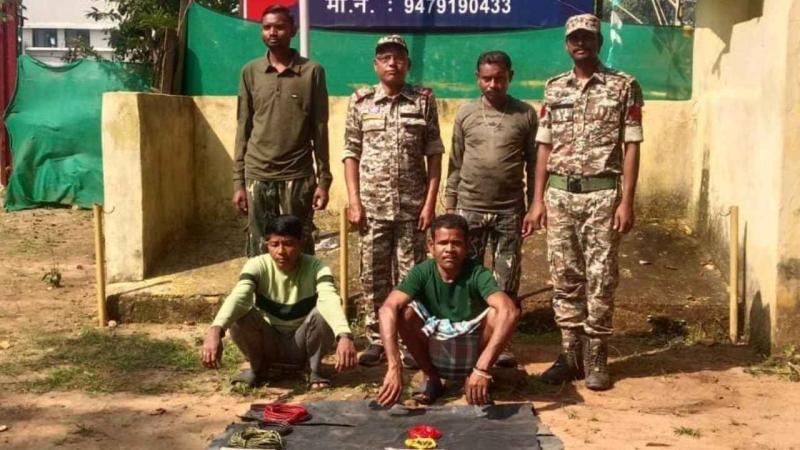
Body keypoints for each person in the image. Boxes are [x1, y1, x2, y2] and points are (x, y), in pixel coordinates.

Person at [522, 13, 644, 391]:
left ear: (599, 42)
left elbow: (632, 145)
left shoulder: (624, 86)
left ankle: (596, 356)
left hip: (602, 194)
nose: (580, 43)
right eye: (574, 38)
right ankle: (569, 354)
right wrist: (537, 200)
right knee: (564, 276)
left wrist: (626, 201)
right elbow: (543, 147)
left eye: (587, 37)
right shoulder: (554, 88)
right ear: (566, 44)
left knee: (601, 276)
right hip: (559, 194)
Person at [342, 35, 445, 367]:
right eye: (385, 58)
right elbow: (351, 153)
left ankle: (408, 338)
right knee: (373, 276)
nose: (392, 63)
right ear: (375, 65)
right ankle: (377, 338)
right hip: (372, 208)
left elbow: (434, 154)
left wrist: (430, 203)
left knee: (411, 276)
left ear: (408, 64)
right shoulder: (360, 101)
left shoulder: (423, 100)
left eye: (398, 57)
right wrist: (354, 201)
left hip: (412, 208)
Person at [445, 50, 537, 368]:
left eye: (499, 78)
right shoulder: (466, 113)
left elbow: (534, 163)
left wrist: (534, 206)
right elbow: (455, 162)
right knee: (466, 275)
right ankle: (466, 338)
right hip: (469, 208)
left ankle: (502, 342)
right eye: (486, 79)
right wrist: (450, 206)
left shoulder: (525, 114)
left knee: (505, 280)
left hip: (509, 211)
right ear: (477, 79)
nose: (493, 84)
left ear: (510, 77)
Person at [376, 214, 519, 406]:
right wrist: (394, 366)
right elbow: (387, 309)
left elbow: (510, 311)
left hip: (472, 349)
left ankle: (473, 377)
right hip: (436, 348)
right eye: (443, 243)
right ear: (431, 246)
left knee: (497, 313)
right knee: (404, 313)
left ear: (467, 246)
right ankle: (431, 378)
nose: (449, 249)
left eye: (456, 243)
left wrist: (482, 368)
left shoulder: (478, 273)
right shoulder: (422, 272)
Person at [200, 215, 357, 389]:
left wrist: (344, 335)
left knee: (323, 313)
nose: (281, 251)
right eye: (274, 244)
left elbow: (329, 299)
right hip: (270, 342)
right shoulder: (257, 265)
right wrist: (216, 330)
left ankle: (313, 370)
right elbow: (239, 296)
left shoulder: (317, 267)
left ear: (301, 243)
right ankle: (259, 369)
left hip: (302, 343)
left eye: (288, 244)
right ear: (266, 245)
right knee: (240, 315)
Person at [233, 5, 331, 257]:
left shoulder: (312, 72)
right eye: (266, 27)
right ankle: (263, 286)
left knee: (298, 247)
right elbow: (243, 127)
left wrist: (324, 181)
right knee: (260, 248)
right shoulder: (250, 72)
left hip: (297, 176)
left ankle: (300, 286)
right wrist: (238, 182)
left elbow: (320, 128)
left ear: (293, 30)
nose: (272, 32)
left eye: (279, 27)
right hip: (258, 174)